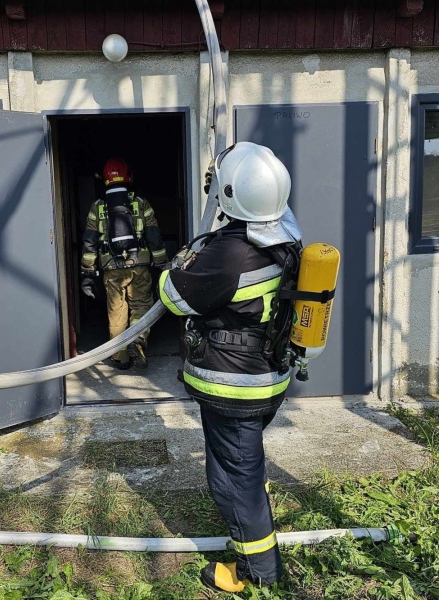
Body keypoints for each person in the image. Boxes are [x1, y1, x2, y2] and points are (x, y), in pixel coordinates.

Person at [158, 142, 303, 592]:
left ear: (229, 194)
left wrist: (181, 262)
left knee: (234, 479)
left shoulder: (231, 254)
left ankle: (258, 573)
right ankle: (252, 524)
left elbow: (172, 296)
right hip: (266, 375)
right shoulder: (286, 236)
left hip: (234, 386)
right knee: (245, 466)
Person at [80, 158, 168, 370]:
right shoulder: (141, 203)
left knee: (116, 311)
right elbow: (154, 236)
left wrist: (88, 273)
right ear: (128, 176)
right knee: (141, 304)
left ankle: (120, 358)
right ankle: (138, 338)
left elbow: (90, 241)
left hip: (111, 267)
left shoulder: (97, 207)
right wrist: (161, 263)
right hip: (139, 265)